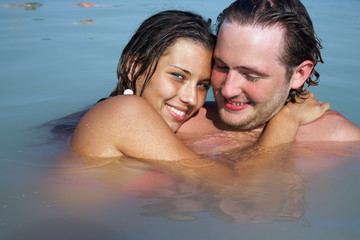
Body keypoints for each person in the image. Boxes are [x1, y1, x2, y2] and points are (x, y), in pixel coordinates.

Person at [69, 10, 329, 161]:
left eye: (203, 84)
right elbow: (240, 190)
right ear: (134, 67)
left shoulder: (119, 119)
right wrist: (287, 118)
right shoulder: (123, 113)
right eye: (178, 76)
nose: (191, 98)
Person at [177, 0, 360, 147]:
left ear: (300, 74)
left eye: (250, 75)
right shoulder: (179, 121)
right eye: (221, 66)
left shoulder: (342, 141)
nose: (227, 90)